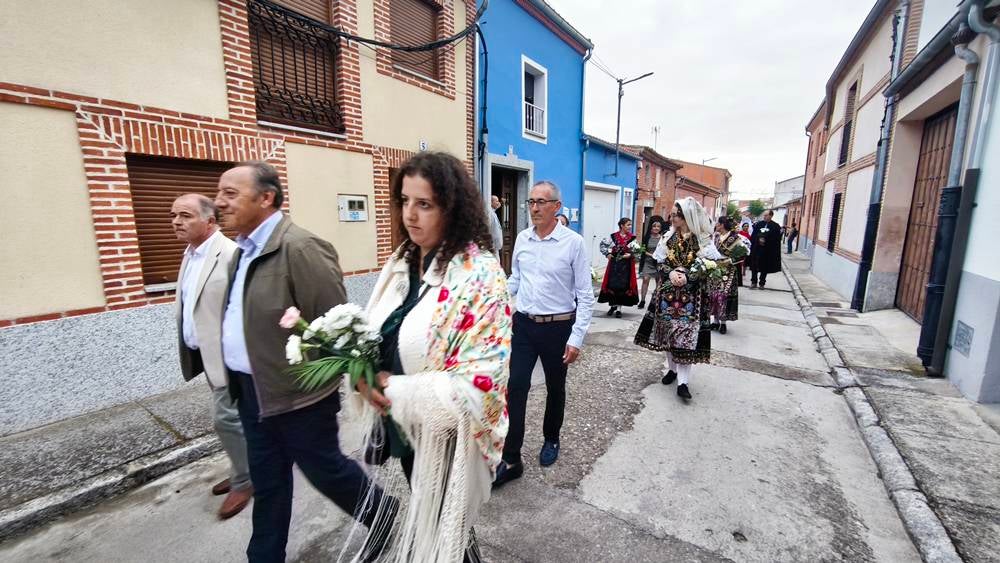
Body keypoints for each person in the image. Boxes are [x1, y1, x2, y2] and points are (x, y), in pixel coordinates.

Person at [215, 161, 392, 562]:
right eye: (219, 192)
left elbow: (337, 322)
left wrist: (356, 376)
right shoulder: (241, 252)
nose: (219, 201)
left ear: (266, 198)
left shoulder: (300, 248)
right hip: (253, 391)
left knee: (325, 471)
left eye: (230, 193)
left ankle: (385, 515)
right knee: (269, 479)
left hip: (299, 395)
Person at [351, 152, 511, 562]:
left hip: (447, 437)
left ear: (452, 208)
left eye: (424, 204)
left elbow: (482, 380)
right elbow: (380, 328)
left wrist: (393, 387)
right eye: (404, 201)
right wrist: (357, 369)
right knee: (435, 514)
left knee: (445, 521)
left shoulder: (479, 275)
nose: (410, 215)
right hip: (404, 428)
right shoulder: (404, 260)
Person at [494, 180, 594, 487]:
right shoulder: (523, 239)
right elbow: (516, 280)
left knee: (555, 387)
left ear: (556, 207)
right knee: (516, 387)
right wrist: (496, 299)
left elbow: (585, 295)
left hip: (558, 327)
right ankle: (511, 458)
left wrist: (576, 337)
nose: (534, 207)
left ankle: (551, 438)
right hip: (523, 325)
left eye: (541, 202)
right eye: (531, 202)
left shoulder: (573, 243)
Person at [172, 194, 252, 520]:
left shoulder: (231, 254)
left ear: (209, 221)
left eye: (186, 215)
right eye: (174, 215)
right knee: (238, 420)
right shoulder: (190, 254)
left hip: (229, 358)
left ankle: (246, 481)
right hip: (205, 356)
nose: (176, 221)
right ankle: (242, 470)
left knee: (226, 419)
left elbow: (246, 309)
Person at [634, 198, 716, 401]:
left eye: (674, 215)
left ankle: (683, 383)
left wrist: (689, 275)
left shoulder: (702, 239)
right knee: (669, 334)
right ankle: (672, 370)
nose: (671, 218)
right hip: (668, 295)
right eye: (671, 214)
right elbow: (659, 262)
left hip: (692, 298)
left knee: (686, 338)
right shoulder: (667, 238)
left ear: (685, 216)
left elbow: (709, 265)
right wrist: (670, 273)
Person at [708, 216, 750, 335]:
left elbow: (742, 254)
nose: (716, 226)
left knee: (724, 296)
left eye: (718, 224)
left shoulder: (735, 238)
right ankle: (715, 321)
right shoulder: (715, 237)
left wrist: (730, 260)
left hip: (728, 271)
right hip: (715, 269)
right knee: (714, 295)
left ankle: (723, 323)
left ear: (722, 225)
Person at [597, 218, 640, 318]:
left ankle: (619, 309)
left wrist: (630, 255)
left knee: (622, 287)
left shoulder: (632, 238)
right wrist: (607, 254)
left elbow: (638, 252)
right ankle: (613, 306)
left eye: (630, 225)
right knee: (613, 285)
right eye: (628, 225)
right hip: (614, 265)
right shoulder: (613, 237)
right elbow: (602, 245)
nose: (630, 227)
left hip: (625, 266)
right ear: (622, 225)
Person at [637, 216, 665, 309]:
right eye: (654, 226)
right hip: (648, 262)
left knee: (658, 282)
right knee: (645, 279)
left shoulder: (663, 239)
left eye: (658, 227)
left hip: (658, 263)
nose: (656, 228)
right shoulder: (647, 237)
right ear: (651, 227)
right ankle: (643, 300)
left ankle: (656, 300)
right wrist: (650, 255)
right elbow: (642, 249)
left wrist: (658, 257)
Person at [749, 209, 782, 289]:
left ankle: (762, 283)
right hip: (757, 249)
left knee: (764, 267)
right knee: (754, 266)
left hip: (767, 250)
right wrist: (758, 239)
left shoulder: (775, 226)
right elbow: (753, 235)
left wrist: (766, 240)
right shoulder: (759, 224)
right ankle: (753, 282)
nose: (764, 216)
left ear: (771, 216)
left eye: (766, 215)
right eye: (764, 215)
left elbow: (777, 239)